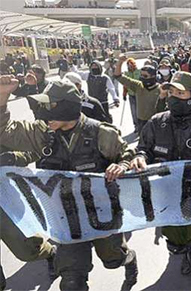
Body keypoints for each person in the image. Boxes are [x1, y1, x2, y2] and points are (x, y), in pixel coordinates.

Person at [0, 77, 138, 291]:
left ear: (66, 107)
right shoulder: (43, 133)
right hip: (65, 218)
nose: (43, 112)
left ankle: (129, 259)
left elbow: (127, 154)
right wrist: (2, 95)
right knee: (71, 282)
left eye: (49, 105)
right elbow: (6, 131)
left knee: (113, 260)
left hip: (100, 215)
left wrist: (124, 165)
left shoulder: (102, 133)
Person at [107, 71, 191, 290]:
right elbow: (143, 148)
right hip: (167, 202)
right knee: (177, 246)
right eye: (171, 92)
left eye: (180, 93)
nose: (173, 97)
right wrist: (139, 157)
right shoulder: (157, 123)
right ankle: (184, 252)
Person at [0, 147, 56, 291]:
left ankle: (50, 253)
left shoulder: (5, 129)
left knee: (27, 251)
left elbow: (34, 149)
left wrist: (12, 157)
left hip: (5, 204)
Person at [114, 55, 160, 132]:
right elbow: (118, 76)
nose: (142, 78)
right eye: (141, 75)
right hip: (142, 122)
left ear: (153, 76)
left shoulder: (160, 89)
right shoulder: (138, 86)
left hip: (156, 122)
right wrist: (120, 62)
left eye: (145, 76)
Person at [123, 58, 141, 133]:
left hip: (139, 95)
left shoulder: (139, 71)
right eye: (128, 65)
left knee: (140, 111)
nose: (130, 66)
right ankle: (136, 126)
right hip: (131, 95)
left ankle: (141, 126)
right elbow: (125, 84)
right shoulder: (126, 73)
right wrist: (124, 94)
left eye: (131, 64)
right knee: (133, 112)